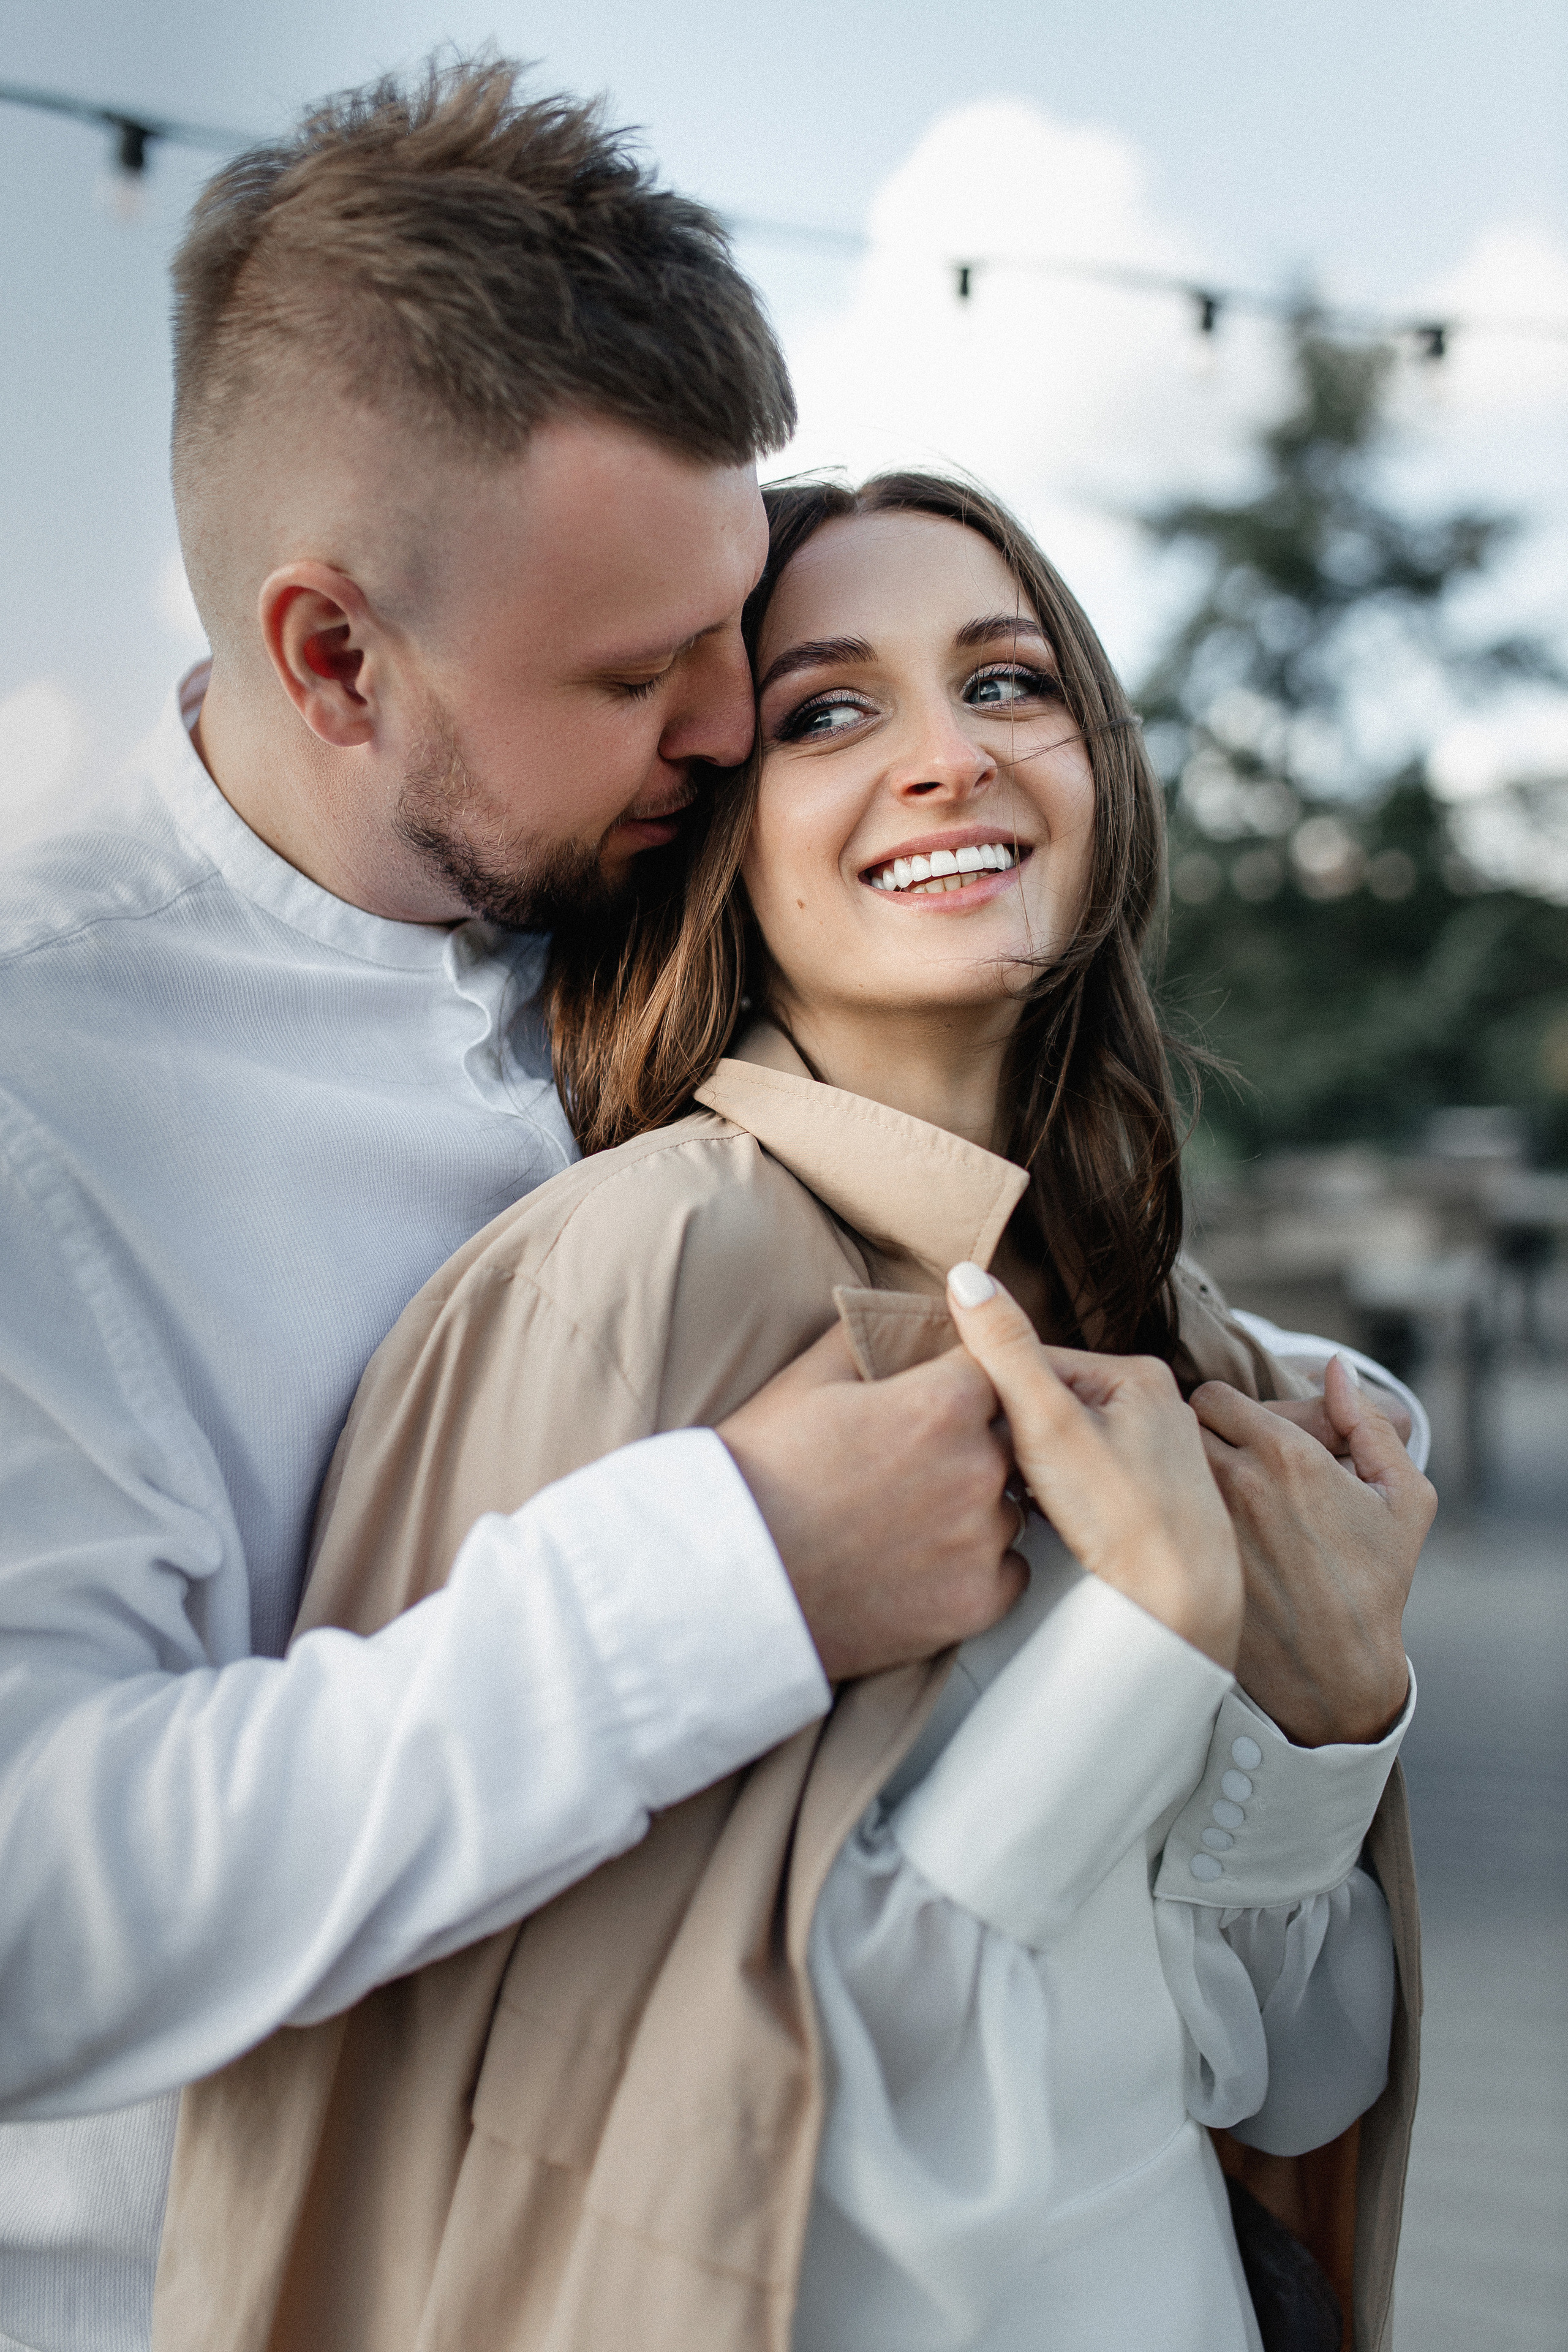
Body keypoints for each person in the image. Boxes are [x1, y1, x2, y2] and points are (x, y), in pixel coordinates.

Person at [153, 474, 1435, 2352]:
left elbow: (1289, 2092)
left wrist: (1323, 1711)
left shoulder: (1184, 1348)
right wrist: (1142, 1652)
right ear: (716, 832)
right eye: (829, 710)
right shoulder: (622, 1286)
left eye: (1008, 684)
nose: (949, 761)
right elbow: (693, 2155)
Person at [0, 66, 1036, 2352]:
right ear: (334, 658)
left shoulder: (645, 885)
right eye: (632, 671)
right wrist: (736, 1574)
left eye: (729, 626)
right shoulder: (37, 1111)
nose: (729, 721)